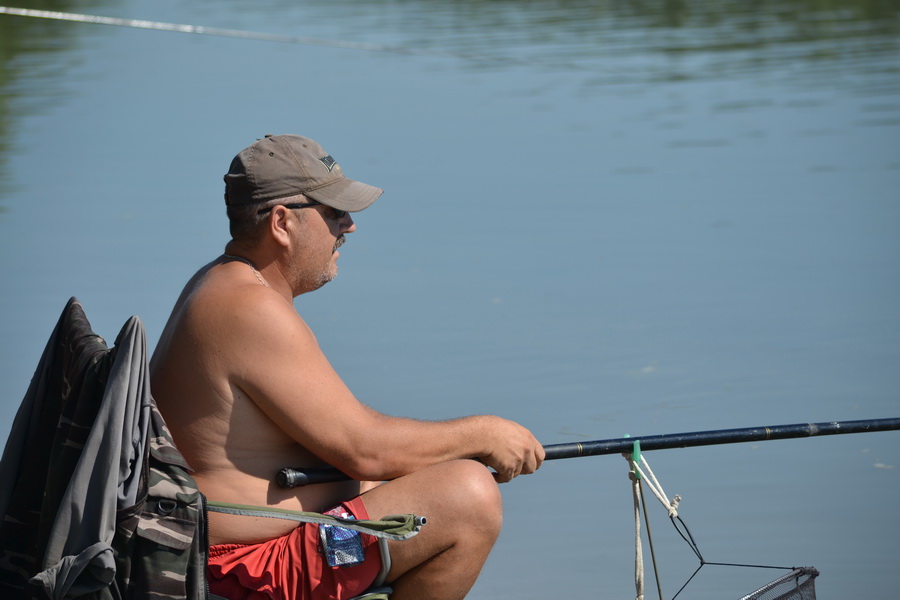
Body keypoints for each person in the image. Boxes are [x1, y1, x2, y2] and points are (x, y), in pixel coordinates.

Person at [150, 134, 545, 600]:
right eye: (334, 212)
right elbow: (364, 449)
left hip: (237, 555)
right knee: (468, 497)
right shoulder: (250, 309)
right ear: (282, 222)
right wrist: (486, 434)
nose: (350, 226)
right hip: (239, 569)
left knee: (423, 478)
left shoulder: (223, 282)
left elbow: (350, 444)